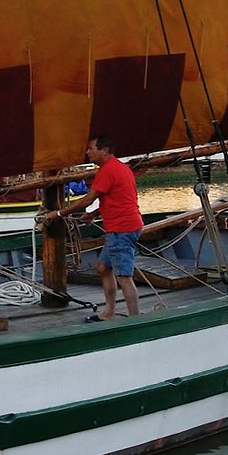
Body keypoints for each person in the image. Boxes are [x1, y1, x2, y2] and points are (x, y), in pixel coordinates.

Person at [84, 134, 142, 322]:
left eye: (91, 149)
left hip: (121, 230)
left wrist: (60, 213)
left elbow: (88, 199)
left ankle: (135, 321)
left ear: (104, 150)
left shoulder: (107, 171)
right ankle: (109, 312)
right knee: (103, 267)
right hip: (126, 226)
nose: (87, 152)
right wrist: (95, 214)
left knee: (124, 276)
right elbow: (119, 199)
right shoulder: (122, 168)